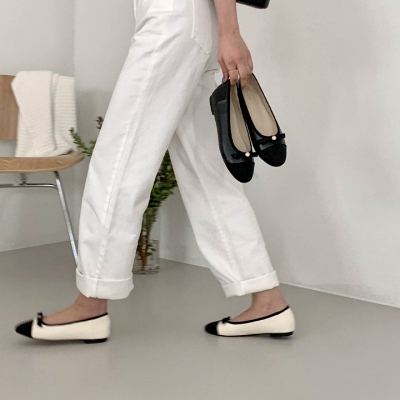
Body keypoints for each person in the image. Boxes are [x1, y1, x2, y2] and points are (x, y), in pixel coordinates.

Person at [15, 0, 295, 342]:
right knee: (208, 176)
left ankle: (90, 304)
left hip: (172, 18)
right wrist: (223, 31)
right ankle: (268, 300)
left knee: (118, 161)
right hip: (194, 25)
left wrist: (231, 32)